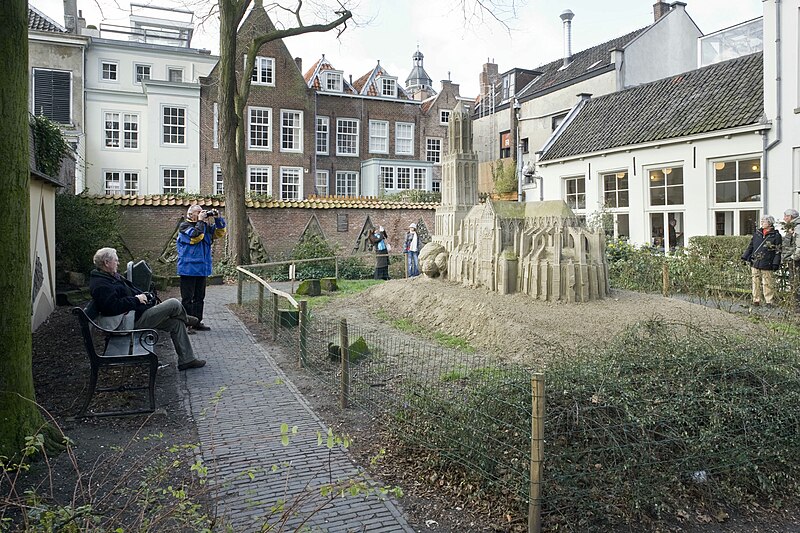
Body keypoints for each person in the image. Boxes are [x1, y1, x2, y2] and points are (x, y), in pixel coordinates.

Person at [89, 247, 206, 371]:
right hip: (129, 322)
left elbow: (129, 292)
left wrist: (144, 296)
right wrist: (136, 300)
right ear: (106, 263)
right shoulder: (101, 284)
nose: (118, 263)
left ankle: (187, 360)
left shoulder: (110, 277)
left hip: (136, 315)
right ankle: (187, 319)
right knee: (174, 303)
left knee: (176, 323)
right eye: (116, 261)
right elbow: (112, 307)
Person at [177, 204, 227, 333]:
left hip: (202, 268)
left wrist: (217, 218)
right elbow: (195, 237)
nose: (202, 214)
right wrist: (200, 221)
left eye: (202, 212)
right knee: (188, 298)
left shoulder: (204, 226)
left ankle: (197, 322)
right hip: (188, 269)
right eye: (198, 212)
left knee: (199, 297)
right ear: (190, 214)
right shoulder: (184, 227)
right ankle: (187, 324)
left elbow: (220, 233)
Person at [741, 215, 782, 307]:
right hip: (755, 261)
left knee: (767, 282)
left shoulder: (776, 236)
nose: (762, 223)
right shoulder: (757, 233)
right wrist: (744, 257)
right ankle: (756, 299)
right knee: (755, 282)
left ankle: (769, 301)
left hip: (767, 262)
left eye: (764, 221)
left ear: (770, 223)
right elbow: (751, 246)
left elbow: (778, 251)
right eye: (762, 221)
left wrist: (776, 263)